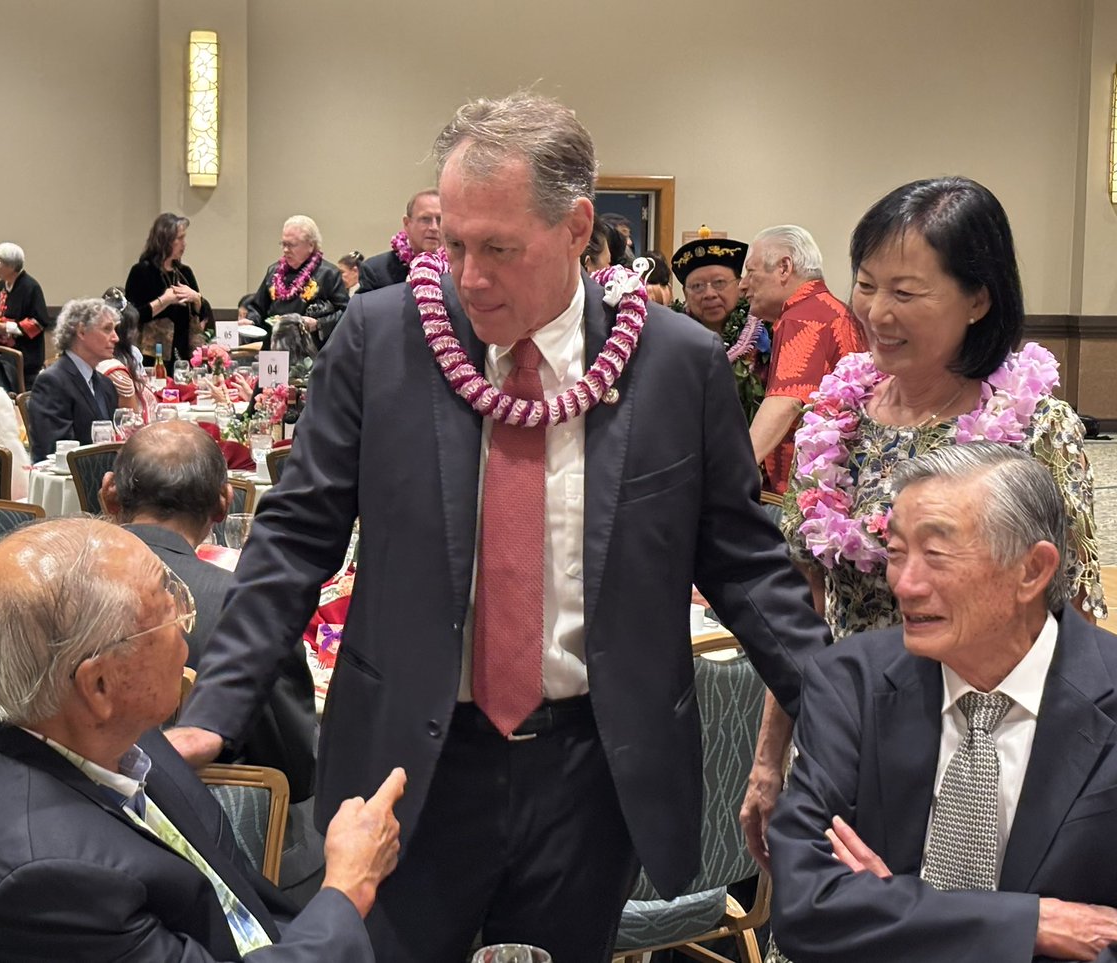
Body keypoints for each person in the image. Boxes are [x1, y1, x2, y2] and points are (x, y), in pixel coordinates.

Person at [168, 91, 829, 963]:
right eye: (453, 244)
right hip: (408, 762)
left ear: (577, 228)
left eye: (499, 249)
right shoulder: (381, 337)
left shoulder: (676, 364)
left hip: (591, 771)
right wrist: (215, 706)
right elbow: (296, 536)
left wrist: (845, 711)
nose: (468, 276)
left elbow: (746, 567)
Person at [746, 176, 1106, 962]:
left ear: (977, 298)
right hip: (850, 736)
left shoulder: (1029, 418)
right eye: (866, 285)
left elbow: (1069, 602)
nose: (877, 312)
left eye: (906, 291)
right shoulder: (838, 415)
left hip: (982, 738)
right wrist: (772, 754)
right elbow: (805, 602)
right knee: (836, 920)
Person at [0, 517, 404, 960]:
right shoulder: (46, 879)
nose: (187, 642)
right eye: (173, 622)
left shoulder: (77, 729)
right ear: (100, 685)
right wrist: (346, 889)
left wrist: (201, 737)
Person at [769, 443, 1117, 963]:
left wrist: (896, 912)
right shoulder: (850, 683)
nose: (904, 585)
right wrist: (1029, 925)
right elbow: (805, 907)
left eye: (936, 555)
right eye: (897, 553)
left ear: (1032, 570)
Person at [99, 420, 318, 803]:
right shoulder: (249, 609)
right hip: (216, 833)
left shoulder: (49, 586)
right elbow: (294, 773)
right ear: (224, 503)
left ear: (111, 495)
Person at [740, 225, 865, 494]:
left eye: (751, 272)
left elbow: (785, 402)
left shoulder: (804, 316)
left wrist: (731, 475)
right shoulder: (828, 309)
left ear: (784, 267)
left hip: (813, 490)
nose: (743, 285)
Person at [671, 228, 769, 423]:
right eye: (697, 286)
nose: (709, 294)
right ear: (685, 292)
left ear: (739, 285)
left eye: (719, 283)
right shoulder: (670, 337)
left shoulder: (766, 331)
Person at [27, 298, 119, 462]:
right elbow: (55, 451)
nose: (116, 338)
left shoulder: (106, 385)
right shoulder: (52, 382)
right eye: (107, 329)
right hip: (72, 482)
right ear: (81, 332)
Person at [244, 215, 348, 345]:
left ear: (310, 245)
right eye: (283, 244)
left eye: (291, 245)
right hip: (274, 347)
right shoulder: (274, 271)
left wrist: (319, 324)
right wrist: (251, 321)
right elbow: (258, 308)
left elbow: (345, 314)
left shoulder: (329, 274)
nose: (286, 250)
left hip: (311, 349)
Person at [124, 212, 211, 363]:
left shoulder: (185, 273)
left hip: (183, 351)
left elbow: (203, 314)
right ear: (165, 240)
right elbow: (132, 316)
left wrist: (196, 298)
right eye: (180, 238)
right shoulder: (142, 271)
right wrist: (164, 300)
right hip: (151, 355)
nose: (184, 244)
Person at [0, 241, 50, 389]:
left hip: (26, 356)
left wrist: (9, 328)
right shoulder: (1, 285)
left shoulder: (31, 287)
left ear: (11, 266)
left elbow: (40, 321)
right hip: (3, 351)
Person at [357, 190, 442, 293]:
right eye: (425, 219)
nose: (434, 227)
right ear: (407, 223)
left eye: (440, 220)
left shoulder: (458, 267)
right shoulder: (375, 271)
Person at [96, 286, 155, 423]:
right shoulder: (108, 364)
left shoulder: (133, 352)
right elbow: (131, 420)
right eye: (133, 328)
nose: (136, 332)